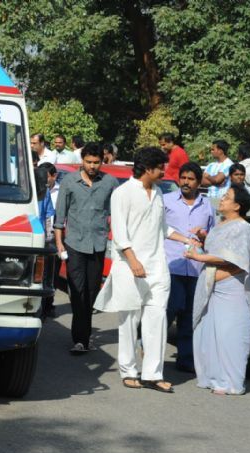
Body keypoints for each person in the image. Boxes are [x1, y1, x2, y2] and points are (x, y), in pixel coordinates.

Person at [94, 147, 197, 393]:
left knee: (157, 319)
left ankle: (153, 374)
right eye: (160, 168)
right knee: (129, 321)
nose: (164, 172)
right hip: (129, 267)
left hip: (157, 267)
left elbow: (163, 228)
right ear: (148, 169)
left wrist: (186, 239)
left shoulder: (159, 193)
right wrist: (133, 261)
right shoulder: (122, 193)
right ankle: (129, 371)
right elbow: (119, 233)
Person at [186, 183, 250, 395]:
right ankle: (213, 378)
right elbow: (218, 249)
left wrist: (198, 257)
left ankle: (231, 383)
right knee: (209, 332)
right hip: (212, 286)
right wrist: (203, 238)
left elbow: (236, 258)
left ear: (237, 206)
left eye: (227, 197)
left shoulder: (243, 228)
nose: (222, 199)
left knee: (229, 336)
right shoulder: (220, 224)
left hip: (232, 288)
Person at [54, 142, 119, 354]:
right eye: (88, 162)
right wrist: (59, 244)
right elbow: (59, 217)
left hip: (98, 245)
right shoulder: (69, 182)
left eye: (96, 162)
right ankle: (80, 339)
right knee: (77, 291)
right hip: (74, 244)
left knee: (91, 293)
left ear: (102, 161)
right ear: (82, 160)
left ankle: (84, 335)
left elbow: (118, 214)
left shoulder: (110, 183)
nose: (92, 166)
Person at [163, 162, 216, 372]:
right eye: (183, 178)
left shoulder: (207, 206)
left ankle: (185, 359)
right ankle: (149, 347)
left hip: (196, 268)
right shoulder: (166, 201)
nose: (186, 182)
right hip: (171, 265)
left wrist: (204, 236)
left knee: (190, 315)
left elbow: (213, 238)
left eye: (191, 179)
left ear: (199, 182)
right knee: (170, 308)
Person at [42, 163, 61, 318]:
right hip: (37, 237)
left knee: (50, 274)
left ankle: (48, 305)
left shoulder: (60, 192)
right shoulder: (32, 190)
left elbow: (50, 215)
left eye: (46, 176)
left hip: (52, 238)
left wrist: (51, 238)